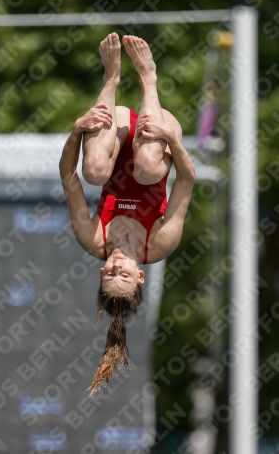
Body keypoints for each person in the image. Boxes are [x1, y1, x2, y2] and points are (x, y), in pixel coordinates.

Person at [59, 33, 195, 395]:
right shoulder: (160, 243)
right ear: (140, 277)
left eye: (111, 272)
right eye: (125, 273)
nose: (118, 264)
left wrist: (76, 130)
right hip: (158, 137)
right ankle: (149, 77)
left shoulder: (94, 239)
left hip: (117, 133)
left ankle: (112, 79)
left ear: (103, 271)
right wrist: (174, 139)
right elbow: (186, 180)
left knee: (94, 174)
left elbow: (70, 180)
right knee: (149, 169)